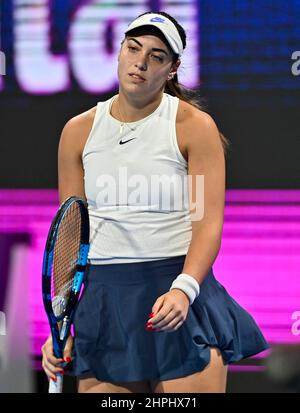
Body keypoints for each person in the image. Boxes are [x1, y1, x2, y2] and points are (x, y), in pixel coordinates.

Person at [41, 11, 269, 393]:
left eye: (157, 56)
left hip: (175, 292)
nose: (141, 62)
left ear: (173, 68)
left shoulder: (193, 127)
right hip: (103, 303)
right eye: (133, 48)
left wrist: (184, 289)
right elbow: (71, 232)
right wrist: (63, 321)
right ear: (119, 51)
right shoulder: (78, 132)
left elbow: (206, 223)